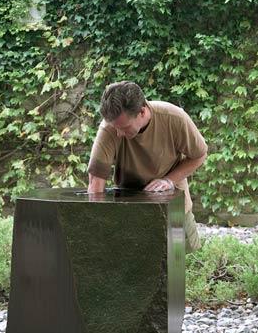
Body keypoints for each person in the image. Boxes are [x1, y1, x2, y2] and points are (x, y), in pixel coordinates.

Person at [87, 81, 207, 252]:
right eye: (115, 128)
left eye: (124, 128)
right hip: (128, 205)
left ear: (142, 111)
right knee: (134, 261)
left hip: (172, 202)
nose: (119, 134)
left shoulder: (174, 118)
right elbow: (95, 183)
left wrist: (169, 180)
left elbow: (199, 155)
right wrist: (97, 227)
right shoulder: (110, 128)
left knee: (176, 261)